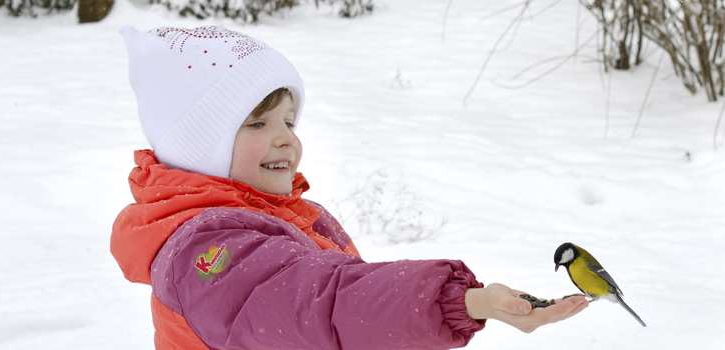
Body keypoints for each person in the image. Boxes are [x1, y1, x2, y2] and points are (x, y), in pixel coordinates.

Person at [112, 25, 588, 350]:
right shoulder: (208, 250)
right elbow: (325, 303)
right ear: (198, 148)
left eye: (289, 120)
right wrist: (461, 301)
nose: (286, 139)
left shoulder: (287, 216)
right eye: (256, 123)